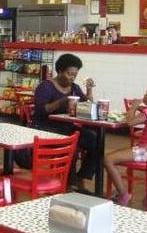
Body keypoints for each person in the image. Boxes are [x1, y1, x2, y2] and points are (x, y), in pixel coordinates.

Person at [16, 53, 97, 191]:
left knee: (95, 140)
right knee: (73, 145)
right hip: (45, 128)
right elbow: (43, 110)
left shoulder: (75, 87)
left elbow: (86, 103)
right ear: (59, 71)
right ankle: (68, 184)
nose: (72, 77)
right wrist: (63, 100)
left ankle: (82, 177)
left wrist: (89, 90)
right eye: (69, 73)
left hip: (66, 127)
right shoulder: (45, 87)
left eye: (75, 75)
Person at [104, 82, 147, 206]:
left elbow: (130, 122)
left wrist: (133, 107)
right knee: (123, 151)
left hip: (145, 152)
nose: (144, 95)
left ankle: (123, 194)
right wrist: (140, 108)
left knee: (108, 159)